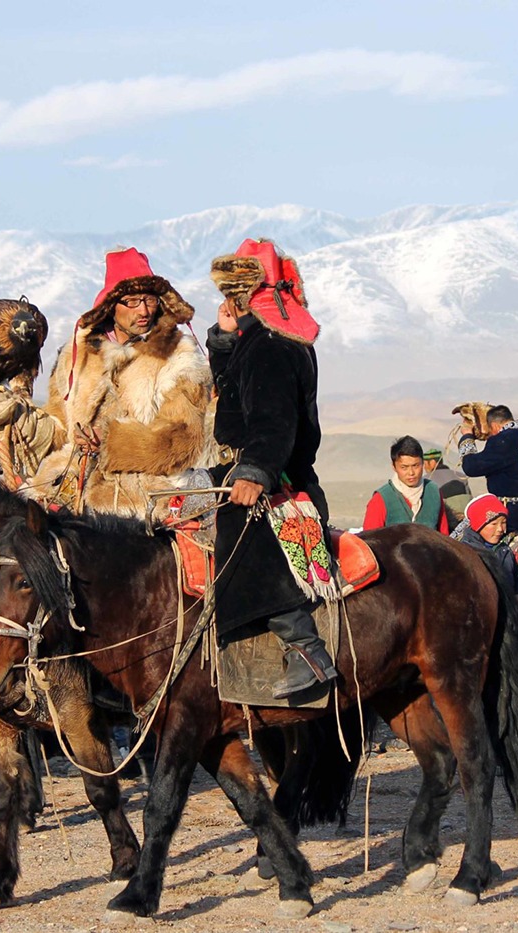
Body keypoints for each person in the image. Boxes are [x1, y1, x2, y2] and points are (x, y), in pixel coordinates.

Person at [0, 247, 211, 520]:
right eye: (132, 301)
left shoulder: (178, 357)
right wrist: (18, 420)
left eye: (150, 300)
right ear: (112, 305)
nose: (144, 310)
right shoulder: (77, 354)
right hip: (68, 481)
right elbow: (60, 431)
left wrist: (111, 442)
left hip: (143, 491)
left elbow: (182, 440)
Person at [207, 239, 338, 700]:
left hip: (278, 478)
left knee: (242, 537)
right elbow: (236, 397)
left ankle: (306, 648)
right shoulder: (260, 340)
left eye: (233, 294)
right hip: (251, 466)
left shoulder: (270, 344)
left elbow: (274, 420)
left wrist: (255, 470)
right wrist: (224, 343)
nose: (227, 303)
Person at [457, 405, 518, 550]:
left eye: (490, 431)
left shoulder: (504, 440)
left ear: (494, 425)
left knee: (458, 538)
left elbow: (471, 467)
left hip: (508, 514)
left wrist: (467, 436)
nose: (490, 435)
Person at [452, 494, 518, 609]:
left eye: (503, 522)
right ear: (478, 525)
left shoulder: (504, 550)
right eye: (494, 524)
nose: (500, 529)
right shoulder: (464, 553)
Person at [363, 436, 450, 533]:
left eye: (416, 466)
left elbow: (444, 536)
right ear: (394, 467)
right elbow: (370, 541)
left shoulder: (433, 492)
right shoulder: (381, 499)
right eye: (404, 467)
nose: (411, 473)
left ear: (423, 464)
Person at [423, 446, 472, 522]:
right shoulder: (461, 476)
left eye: (425, 464)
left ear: (432, 462)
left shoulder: (427, 480)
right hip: (466, 518)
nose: (424, 468)